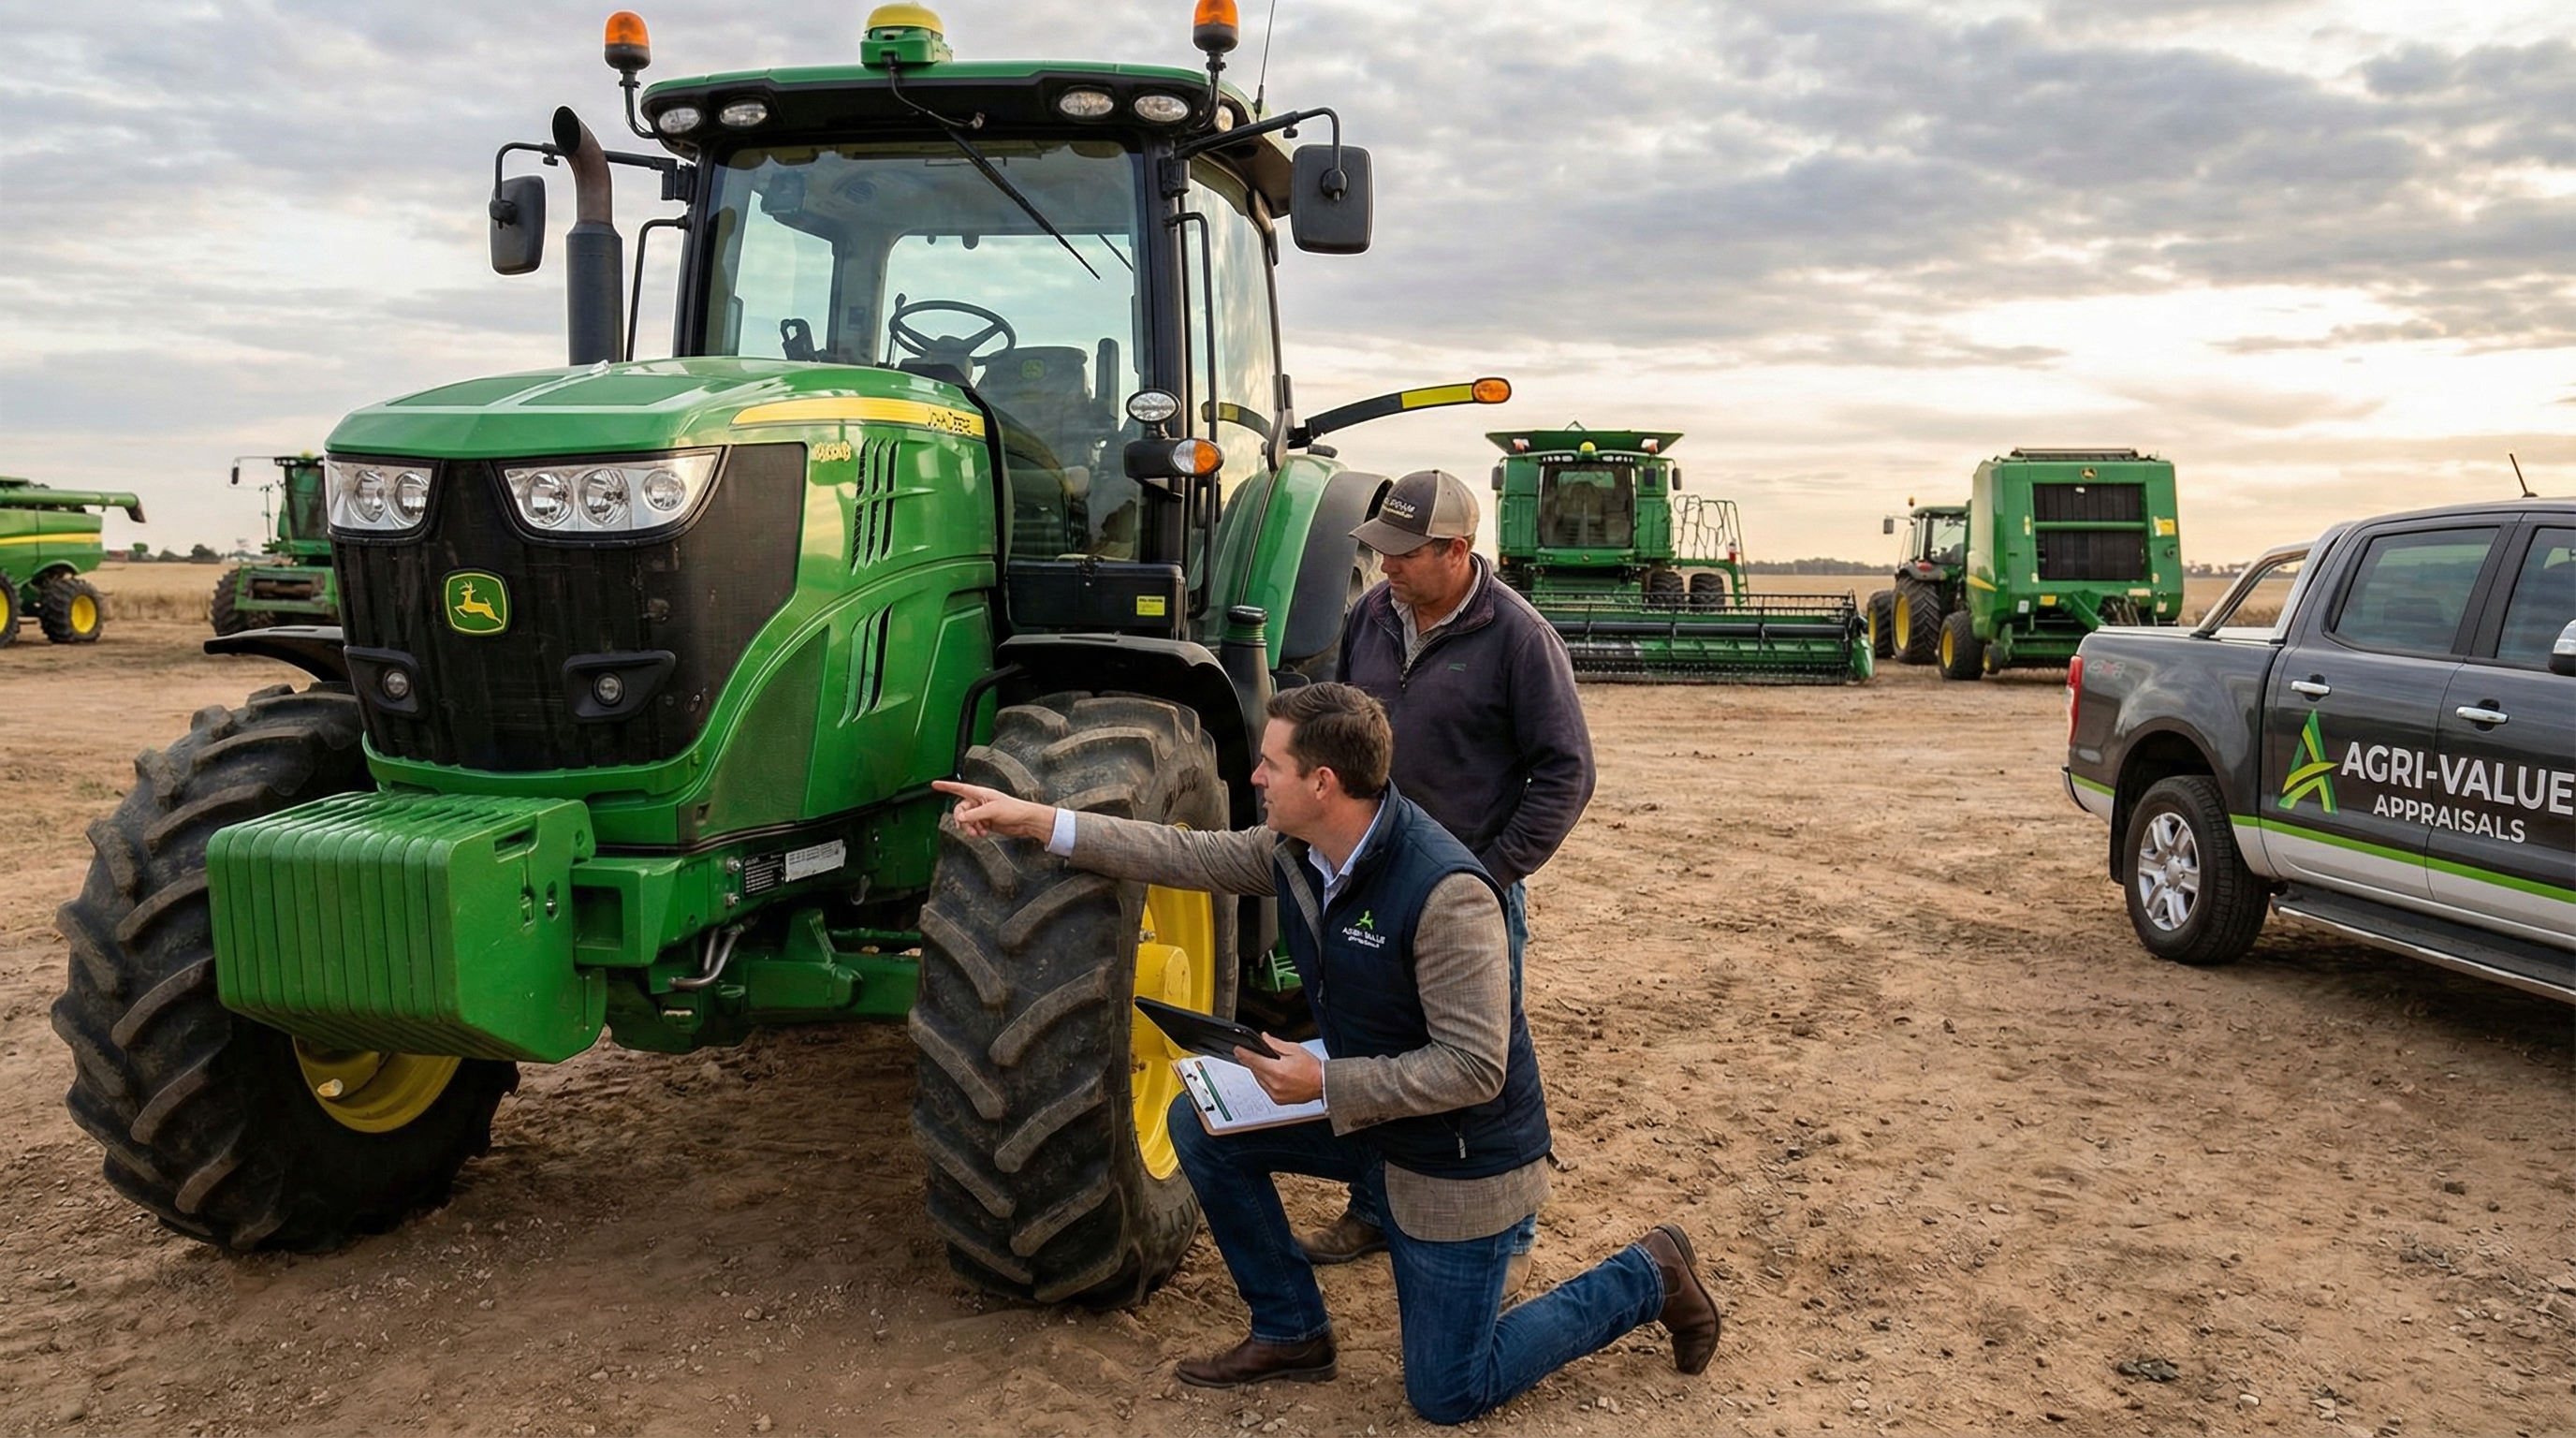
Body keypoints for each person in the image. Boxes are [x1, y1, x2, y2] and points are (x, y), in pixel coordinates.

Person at [933, 684, 1716, 1425]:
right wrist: (1036, 820)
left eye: (1271, 764)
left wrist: (1325, 1080)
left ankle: (1650, 1274)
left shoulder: (1447, 894)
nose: (1255, 775)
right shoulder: (1298, 852)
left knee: (1449, 1391)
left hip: (1458, 1159)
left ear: (1324, 783)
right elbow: (1185, 855)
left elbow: (1476, 1068)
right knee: (1200, 1125)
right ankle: (1291, 1329)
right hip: (1372, 1123)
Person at [1312, 468, 1597, 1288]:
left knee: (1483, 1054)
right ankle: (1375, 1207)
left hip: (1467, 891)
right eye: (1382, 550)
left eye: (1404, 554)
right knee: (1372, 1042)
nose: (1387, 566)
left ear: (1458, 551)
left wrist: (1489, 872)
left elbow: (1566, 773)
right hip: (1371, 879)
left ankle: (1508, 1228)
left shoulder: (1518, 638)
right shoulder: (1369, 616)